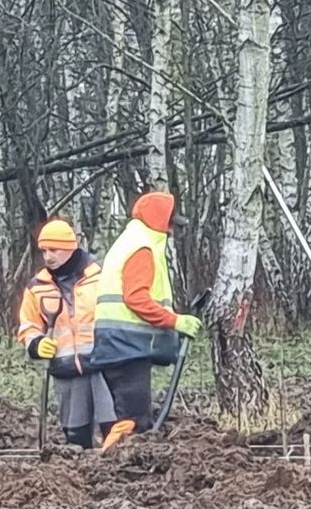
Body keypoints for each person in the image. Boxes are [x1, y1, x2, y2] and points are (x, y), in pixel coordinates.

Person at [90, 191, 202, 450]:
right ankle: (108, 466)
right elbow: (136, 298)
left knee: (131, 416)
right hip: (125, 347)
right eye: (171, 225)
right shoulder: (142, 248)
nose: (172, 232)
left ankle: (113, 465)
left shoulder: (130, 241)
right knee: (134, 421)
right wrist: (173, 321)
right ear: (159, 222)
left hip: (120, 346)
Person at [17, 218, 116, 448]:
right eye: (44, 250)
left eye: (54, 249)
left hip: (102, 366)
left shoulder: (101, 278)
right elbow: (28, 325)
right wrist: (36, 344)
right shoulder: (37, 287)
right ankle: (78, 477)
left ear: (70, 248)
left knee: (113, 428)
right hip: (65, 369)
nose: (48, 256)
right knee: (75, 434)